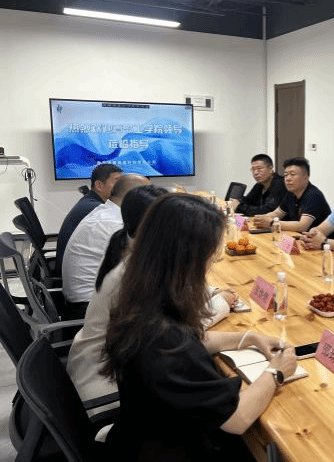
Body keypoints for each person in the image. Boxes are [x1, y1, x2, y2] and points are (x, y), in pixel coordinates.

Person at [103, 193, 297, 460]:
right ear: (187, 259)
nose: (212, 263)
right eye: (210, 254)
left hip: (145, 433)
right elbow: (238, 419)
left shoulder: (142, 299)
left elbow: (190, 342)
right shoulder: (163, 338)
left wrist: (248, 337)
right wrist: (276, 372)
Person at [67, 185, 238, 406]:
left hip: (109, 370)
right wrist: (221, 303)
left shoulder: (133, 252)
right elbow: (178, 331)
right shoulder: (132, 275)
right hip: (110, 389)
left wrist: (212, 293)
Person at [61, 174, 148, 319]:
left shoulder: (105, 212)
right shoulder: (114, 224)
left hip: (83, 301)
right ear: (135, 199)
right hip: (87, 309)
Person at [55, 163, 123, 274]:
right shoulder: (96, 210)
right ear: (99, 185)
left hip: (72, 267)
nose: (122, 186)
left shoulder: (90, 202)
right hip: (75, 272)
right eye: (117, 182)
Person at [253, 157, 334, 235]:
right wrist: (261, 218)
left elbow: (302, 226)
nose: (288, 179)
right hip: (302, 238)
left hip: (325, 242)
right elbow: (278, 213)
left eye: (292, 174)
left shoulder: (313, 195)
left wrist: (272, 223)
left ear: (306, 177)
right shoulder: (291, 193)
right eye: (286, 175)